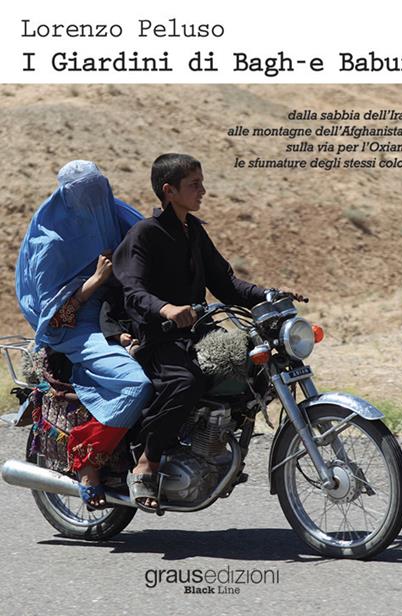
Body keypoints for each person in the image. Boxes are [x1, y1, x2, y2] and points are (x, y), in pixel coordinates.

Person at [112, 153, 266, 510]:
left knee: (254, 367)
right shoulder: (145, 234)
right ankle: (147, 462)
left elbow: (225, 282)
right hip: (159, 337)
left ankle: (212, 448)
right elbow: (132, 289)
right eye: (194, 184)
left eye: (201, 182)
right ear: (169, 190)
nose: (203, 191)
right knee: (186, 381)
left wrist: (268, 295)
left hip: (197, 332)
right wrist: (166, 308)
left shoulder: (193, 229)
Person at [16, 161, 153, 509]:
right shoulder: (51, 242)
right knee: (136, 385)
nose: (94, 200)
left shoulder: (117, 214)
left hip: (120, 314)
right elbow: (54, 320)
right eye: (84, 194)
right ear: (66, 196)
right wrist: (93, 283)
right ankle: (88, 459)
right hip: (78, 327)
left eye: (99, 189)